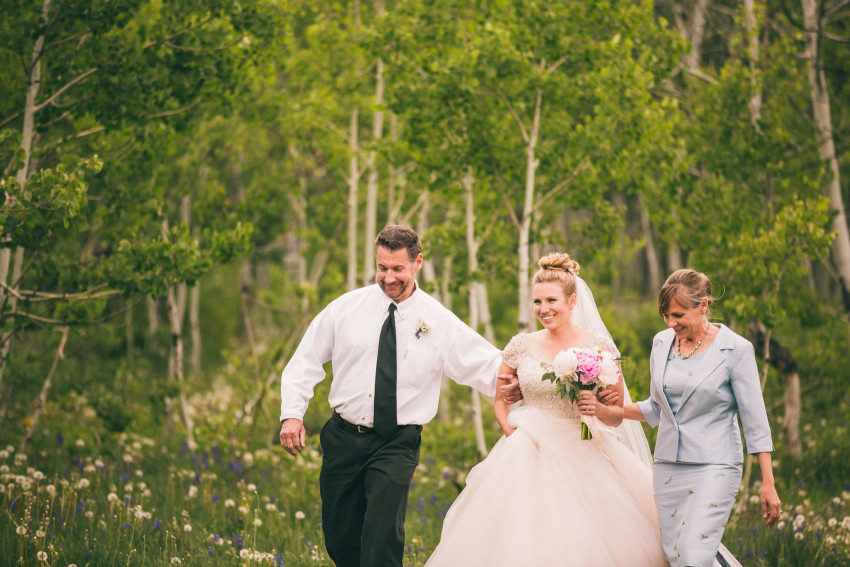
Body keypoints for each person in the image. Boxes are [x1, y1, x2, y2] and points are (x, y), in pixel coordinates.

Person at [279, 225, 521, 567]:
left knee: (382, 536)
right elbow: (304, 360)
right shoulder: (344, 309)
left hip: (396, 443)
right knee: (340, 538)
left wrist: (534, 379)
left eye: (397, 269)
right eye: (382, 268)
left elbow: (484, 363)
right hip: (343, 438)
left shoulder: (438, 320)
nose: (388, 278)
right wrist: (292, 413)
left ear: (417, 262)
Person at [424, 253, 667, 566]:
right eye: (537, 302)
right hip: (527, 450)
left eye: (551, 300)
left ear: (572, 300)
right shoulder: (520, 345)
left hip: (584, 448)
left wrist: (594, 408)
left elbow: (617, 413)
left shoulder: (600, 347)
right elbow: (501, 399)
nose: (543, 309)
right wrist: (512, 433)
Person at [621, 268, 781, 567]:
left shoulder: (736, 349)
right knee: (678, 556)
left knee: (694, 555)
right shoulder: (660, 343)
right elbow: (657, 409)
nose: (672, 323)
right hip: (668, 468)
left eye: (679, 315)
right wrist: (611, 411)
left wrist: (767, 482)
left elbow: (755, 421)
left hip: (715, 466)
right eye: (666, 316)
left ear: (703, 305)